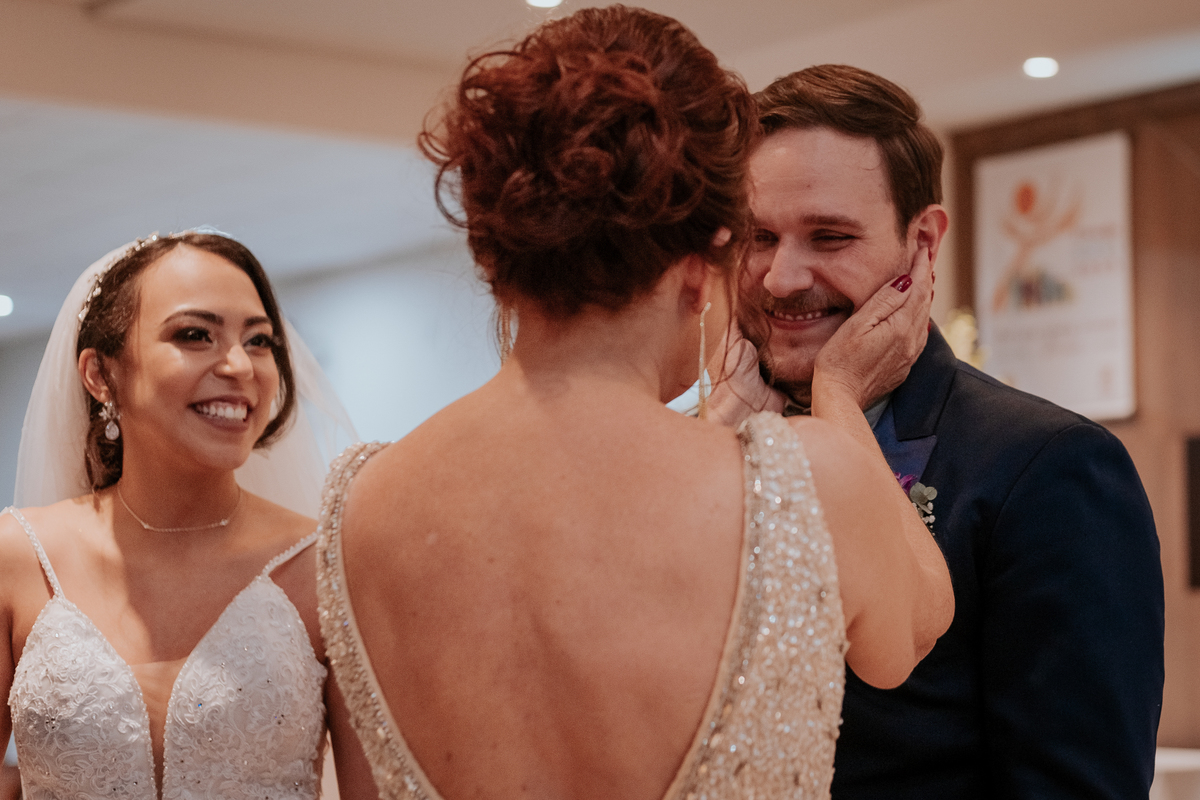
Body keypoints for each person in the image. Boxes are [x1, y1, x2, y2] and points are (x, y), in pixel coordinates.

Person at [316, 9, 952, 800]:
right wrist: (841, 400)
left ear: (494, 255)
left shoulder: (359, 505)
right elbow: (911, 632)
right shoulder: (806, 482)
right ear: (704, 259)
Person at [709, 64, 1164, 798]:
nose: (780, 279)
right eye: (760, 236)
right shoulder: (699, 446)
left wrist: (837, 402)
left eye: (829, 237)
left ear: (922, 241)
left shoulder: (1049, 467)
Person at [0, 230, 375, 799]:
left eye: (258, 340)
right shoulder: (18, 557)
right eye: (195, 335)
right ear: (101, 375)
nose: (240, 366)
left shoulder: (325, 567)